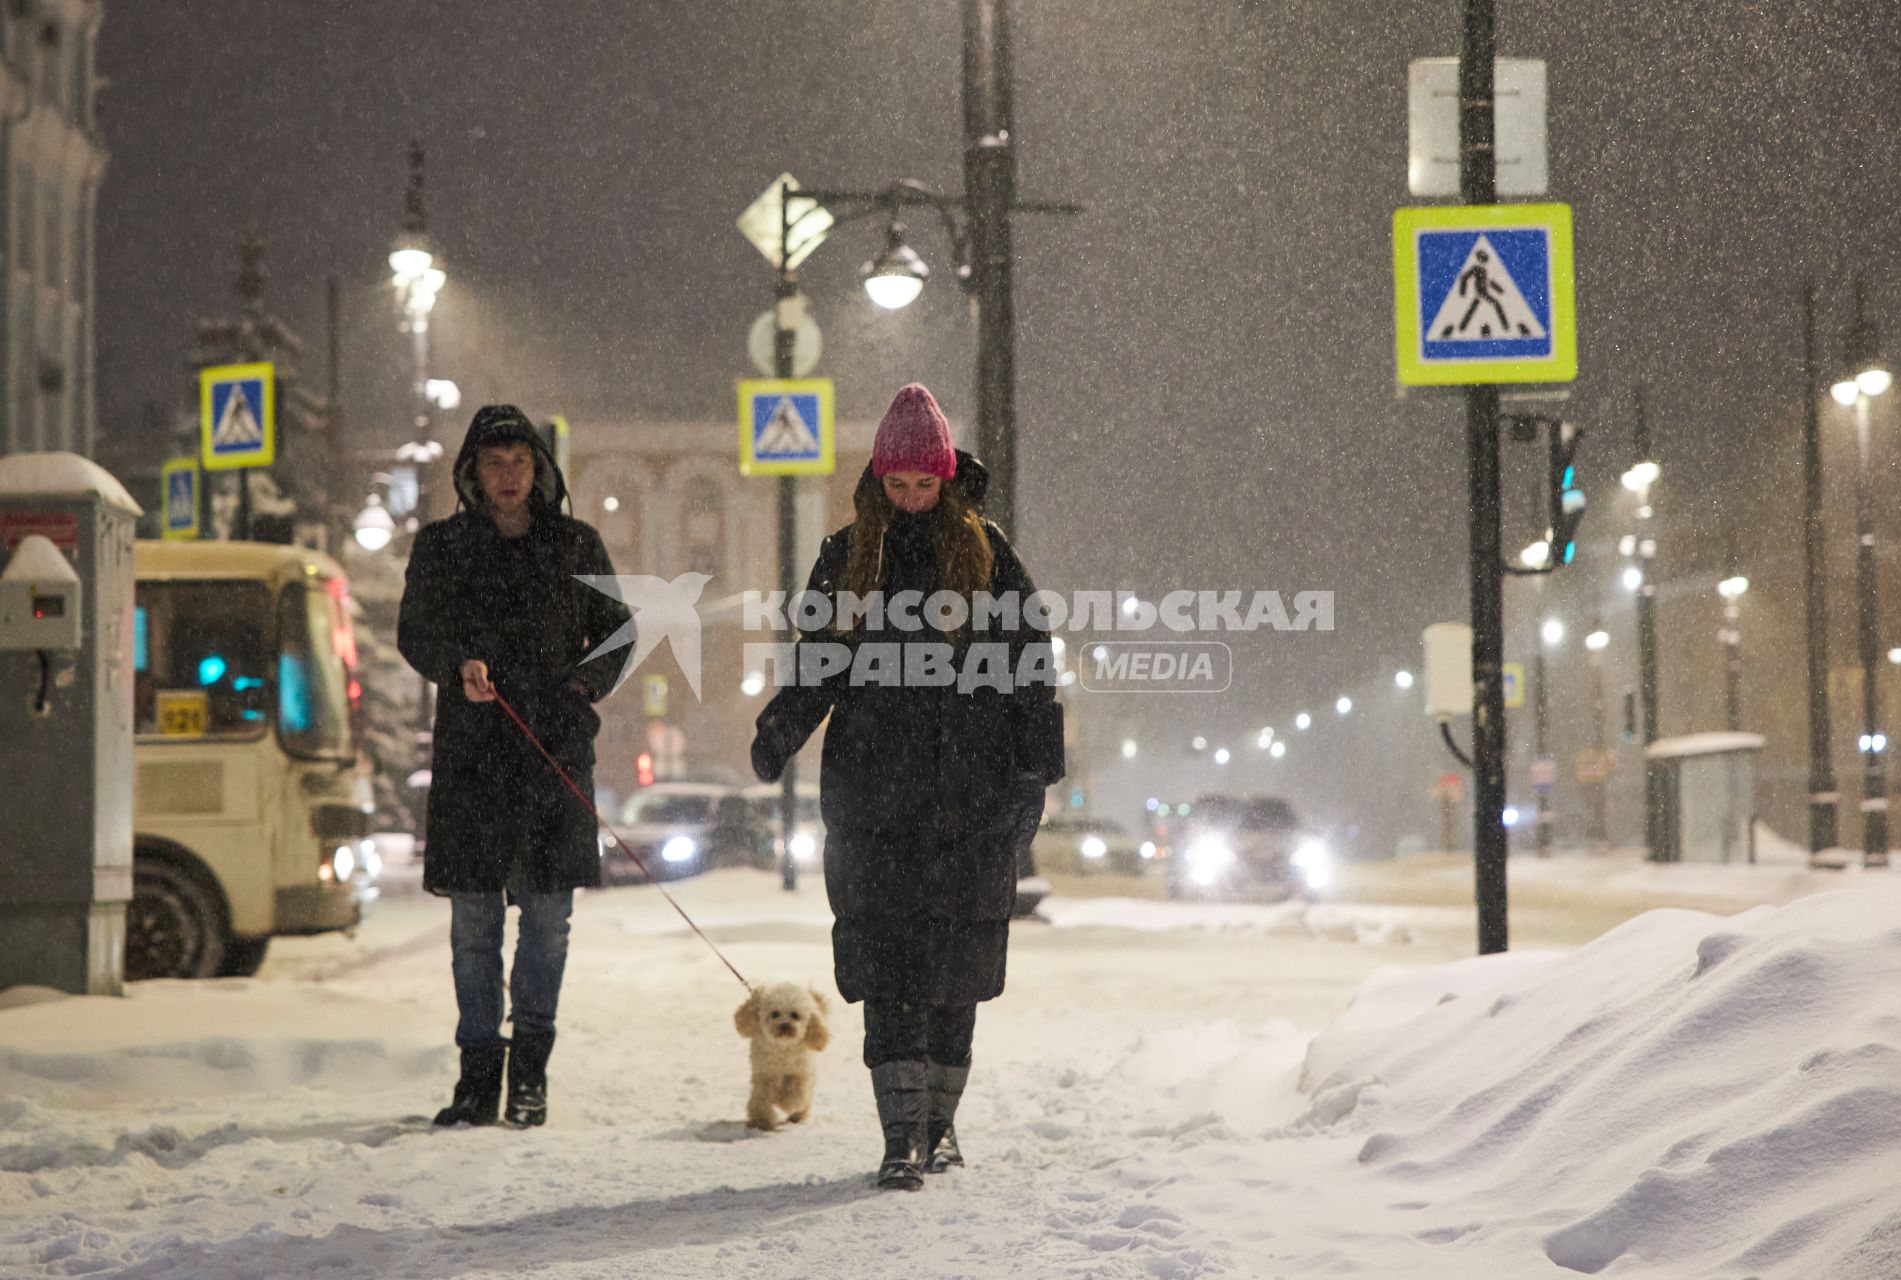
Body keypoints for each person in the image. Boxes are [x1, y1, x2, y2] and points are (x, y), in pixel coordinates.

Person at [750, 383, 1065, 1190]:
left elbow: (1032, 671)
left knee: (955, 966)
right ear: (877, 480)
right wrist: (780, 730)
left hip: (974, 794)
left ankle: (939, 1125)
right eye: (898, 486)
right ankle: (900, 1138)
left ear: (948, 478)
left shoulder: (990, 558)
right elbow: (816, 662)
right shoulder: (847, 556)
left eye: (925, 485)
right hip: (874, 796)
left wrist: (1035, 769)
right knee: (889, 964)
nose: (912, 500)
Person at [398, 404, 631, 1128]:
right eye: (494, 463)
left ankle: (529, 1071)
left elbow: (617, 634)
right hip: (471, 756)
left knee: (548, 920)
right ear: (472, 472)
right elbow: (416, 629)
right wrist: (454, 663)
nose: (507, 476)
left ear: (539, 472)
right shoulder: (441, 547)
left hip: (552, 754)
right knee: (473, 926)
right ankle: (476, 1076)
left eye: (519, 463)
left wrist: (579, 689)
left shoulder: (575, 544)